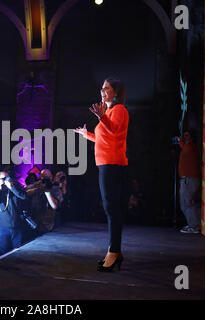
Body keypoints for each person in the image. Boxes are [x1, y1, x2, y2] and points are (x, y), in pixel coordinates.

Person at [75, 77, 129, 272]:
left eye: (107, 88)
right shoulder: (108, 112)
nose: (102, 91)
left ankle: (113, 252)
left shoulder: (119, 110)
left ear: (115, 92)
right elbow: (102, 138)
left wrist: (102, 118)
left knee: (111, 208)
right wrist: (86, 134)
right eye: (102, 88)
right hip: (105, 164)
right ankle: (115, 251)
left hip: (113, 164)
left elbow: (114, 132)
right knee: (110, 208)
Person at [176, 131, 201, 234]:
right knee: (189, 203)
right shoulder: (190, 147)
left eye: (187, 135)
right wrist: (180, 142)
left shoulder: (189, 148)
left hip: (188, 180)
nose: (185, 137)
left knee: (186, 204)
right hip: (189, 180)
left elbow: (185, 148)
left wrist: (181, 142)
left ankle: (194, 226)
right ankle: (195, 224)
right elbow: (184, 147)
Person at [25, 169, 63, 233]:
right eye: (43, 177)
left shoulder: (55, 189)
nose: (45, 180)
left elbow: (55, 206)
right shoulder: (35, 186)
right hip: (33, 222)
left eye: (47, 178)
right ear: (40, 177)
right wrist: (37, 188)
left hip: (48, 224)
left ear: (51, 177)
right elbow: (23, 194)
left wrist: (47, 191)